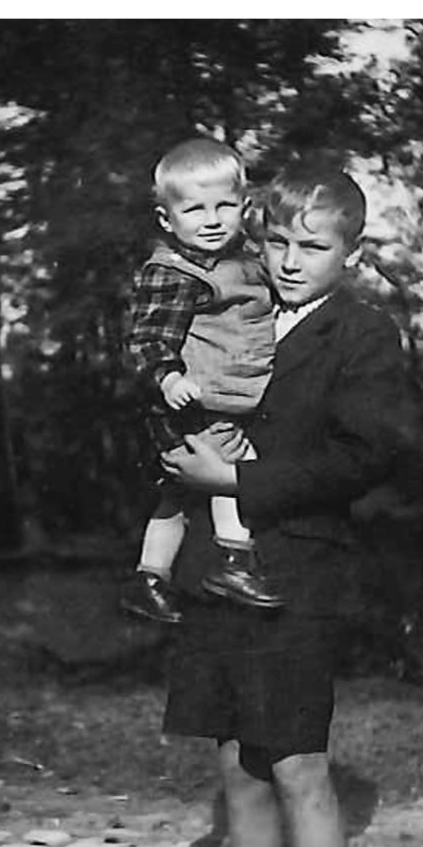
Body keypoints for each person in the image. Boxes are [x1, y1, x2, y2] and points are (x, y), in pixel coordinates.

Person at [159, 153, 407, 847]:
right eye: (278, 243)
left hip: (299, 572)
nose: (291, 261)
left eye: (314, 247)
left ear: (351, 252)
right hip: (218, 568)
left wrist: (236, 480)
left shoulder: (362, 334)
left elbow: (366, 456)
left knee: (299, 766)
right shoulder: (234, 306)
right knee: (238, 769)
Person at [120, 138, 283, 626]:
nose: (211, 220)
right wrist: (168, 378)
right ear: (167, 219)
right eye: (194, 210)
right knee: (236, 468)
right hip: (198, 404)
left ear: (244, 208)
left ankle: (150, 579)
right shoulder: (175, 273)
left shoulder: (245, 260)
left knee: (177, 498)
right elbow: (147, 339)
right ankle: (236, 562)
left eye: (224, 207)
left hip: (225, 398)